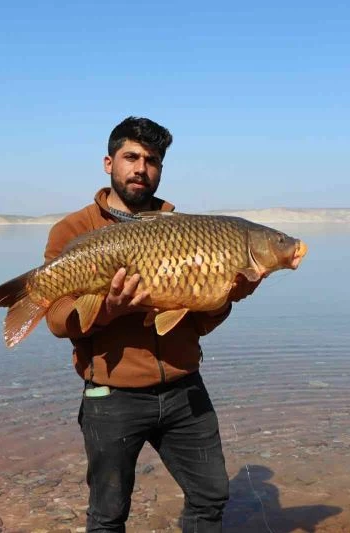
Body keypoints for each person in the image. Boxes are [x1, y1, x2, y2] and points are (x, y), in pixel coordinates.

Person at [43, 116, 260, 533]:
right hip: (112, 395)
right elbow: (57, 320)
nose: (142, 168)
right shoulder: (73, 230)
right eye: (132, 157)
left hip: (184, 389)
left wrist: (224, 299)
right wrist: (111, 309)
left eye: (153, 160)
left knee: (211, 496)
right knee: (108, 514)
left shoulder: (190, 230)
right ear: (109, 163)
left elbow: (199, 325)